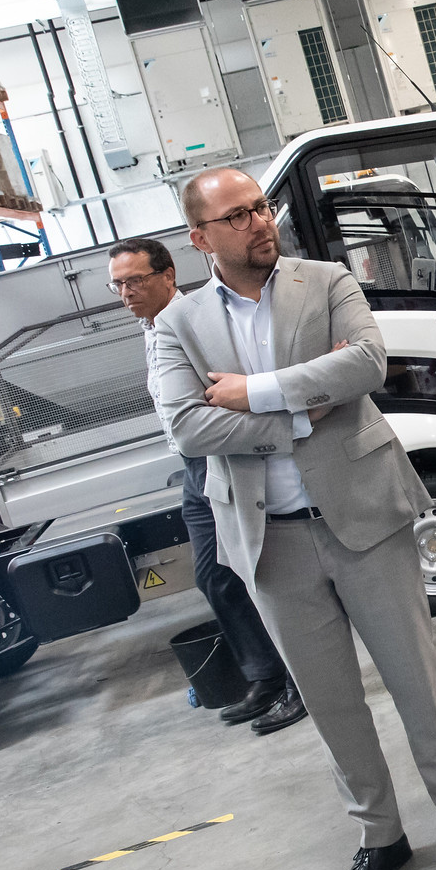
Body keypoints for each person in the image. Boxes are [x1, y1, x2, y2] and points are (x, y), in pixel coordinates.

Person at [154, 167, 436, 870]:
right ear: (200, 238)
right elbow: (188, 426)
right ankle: (381, 837)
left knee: (418, 681)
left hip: (364, 514)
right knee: (331, 703)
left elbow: (364, 364)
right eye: (238, 216)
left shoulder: (324, 279)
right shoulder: (178, 323)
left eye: (261, 208)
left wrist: (253, 394)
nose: (260, 223)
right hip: (271, 540)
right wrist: (303, 411)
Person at [110, 237, 306, 733]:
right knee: (215, 577)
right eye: (119, 284)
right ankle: (265, 677)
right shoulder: (151, 330)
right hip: (194, 470)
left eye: (136, 280)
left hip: (226, 460)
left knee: (257, 575)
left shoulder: (195, 322)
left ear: (168, 275)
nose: (127, 292)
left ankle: (300, 683)